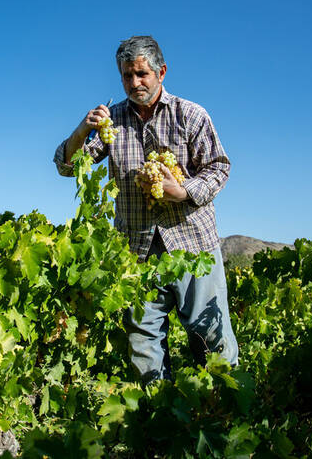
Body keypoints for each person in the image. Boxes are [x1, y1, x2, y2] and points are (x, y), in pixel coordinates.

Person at [53, 35, 238, 383]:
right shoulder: (112, 122)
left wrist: (182, 191)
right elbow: (67, 166)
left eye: (141, 74)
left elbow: (219, 167)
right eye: (126, 76)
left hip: (193, 245)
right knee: (143, 345)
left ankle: (222, 415)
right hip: (137, 252)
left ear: (161, 72)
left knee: (210, 337)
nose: (134, 83)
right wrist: (83, 129)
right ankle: (158, 418)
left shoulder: (191, 115)